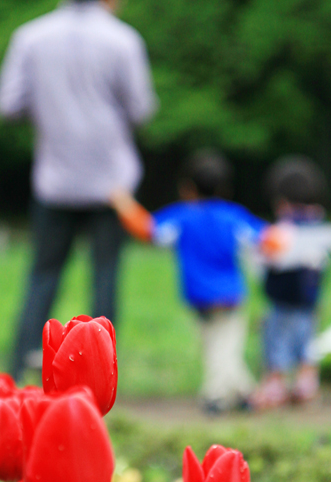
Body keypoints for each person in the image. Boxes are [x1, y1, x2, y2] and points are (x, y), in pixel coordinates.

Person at [0, 0, 157, 380]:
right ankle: (101, 377)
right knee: (104, 278)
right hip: (112, 183)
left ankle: (21, 366)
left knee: (42, 276)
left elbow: (7, 105)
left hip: (55, 178)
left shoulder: (31, 36)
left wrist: (50, 111)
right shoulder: (123, 40)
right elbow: (141, 109)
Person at [111, 149, 266, 412]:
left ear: (187, 188)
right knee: (224, 345)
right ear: (225, 188)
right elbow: (264, 239)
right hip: (230, 295)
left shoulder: (182, 217)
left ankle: (231, 394)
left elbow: (147, 230)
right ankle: (229, 394)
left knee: (216, 345)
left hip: (198, 296)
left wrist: (122, 201)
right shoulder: (233, 216)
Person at [254, 156, 331, 408]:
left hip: (281, 300)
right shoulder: (321, 228)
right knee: (306, 343)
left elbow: (263, 261)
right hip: (309, 299)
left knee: (276, 343)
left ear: (280, 200)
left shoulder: (281, 230)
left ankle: (275, 386)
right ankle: (306, 385)